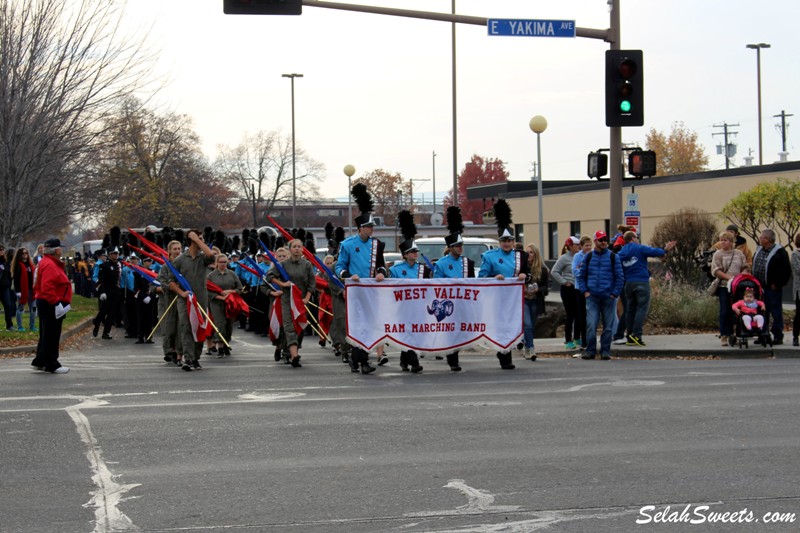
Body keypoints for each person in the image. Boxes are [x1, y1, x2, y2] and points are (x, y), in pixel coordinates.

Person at [336, 184, 387, 375]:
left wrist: (381, 273)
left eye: (372, 226)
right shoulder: (348, 245)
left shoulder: (377, 245)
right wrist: (349, 276)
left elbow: (381, 265)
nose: (372, 229)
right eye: (369, 226)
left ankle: (357, 358)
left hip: (372, 289)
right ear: (360, 228)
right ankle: (361, 359)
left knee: (370, 324)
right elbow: (339, 267)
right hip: (355, 289)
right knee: (359, 324)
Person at [477, 200, 529, 370]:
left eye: (509, 240)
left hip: (515, 298)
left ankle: (516, 347)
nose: (507, 243)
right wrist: (494, 276)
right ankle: (505, 355)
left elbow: (529, 274)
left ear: (513, 241)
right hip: (497, 298)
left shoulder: (521, 256)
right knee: (501, 325)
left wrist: (524, 275)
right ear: (499, 241)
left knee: (519, 323)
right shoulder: (490, 256)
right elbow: (482, 277)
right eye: (504, 240)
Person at [168, 229, 218, 371]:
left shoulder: (203, 259)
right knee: (186, 327)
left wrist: (197, 240)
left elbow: (210, 255)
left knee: (200, 327)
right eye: (199, 238)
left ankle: (196, 358)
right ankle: (188, 359)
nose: (201, 241)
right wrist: (181, 293)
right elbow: (171, 282)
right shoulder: (179, 260)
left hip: (201, 298)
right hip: (185, 300)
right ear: (192, 240)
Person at [432, 206, 475, 371]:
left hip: (463, 301)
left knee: (459, 329)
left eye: (461, 245)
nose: (460, 248)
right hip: (448, 302)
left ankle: (455, 354)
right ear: (450, 247)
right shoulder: (441, 264)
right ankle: (452, 359)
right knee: (450, 331)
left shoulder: (467, 262)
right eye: (457, 245)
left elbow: (472, 282)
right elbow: (437, 282)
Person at [616, 231, 677, 346]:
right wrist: (665, 249)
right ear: (633, 238)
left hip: (628, 283)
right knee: (641, 308)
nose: (638, 239)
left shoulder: (621, 252)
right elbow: (654, 252)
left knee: (630, 310)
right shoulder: (639, 248)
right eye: (637, 237)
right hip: (641, 281)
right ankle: (637, 335)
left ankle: (629, 336)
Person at [388, 210, 429, 373]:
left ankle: (405, 359)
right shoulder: (396, 269)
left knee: (414, 335)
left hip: (419, 306)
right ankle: (414, 362)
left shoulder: (423, 269)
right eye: (412, 252)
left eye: (416, 251)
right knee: (408, 333)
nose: (415, 254)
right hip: (403, 307)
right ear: (405, 255)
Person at [575, 231, 624, 361]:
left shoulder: (614, 257)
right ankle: (590, 350)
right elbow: (581, 275)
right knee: (591, 325)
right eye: (601, 240)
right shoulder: (588, 257)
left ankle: (605, 351)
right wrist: (585, 291)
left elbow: (620, 277)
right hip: (592, 298)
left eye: (605, 240)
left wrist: (614, 294)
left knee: (608, 327)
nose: (604, 242)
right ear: (595, 241)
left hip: (608, 298)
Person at [267, 239, 316, 368]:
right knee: (289, 328)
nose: (297, 249)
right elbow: (269, 276)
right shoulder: (283, 264)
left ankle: (294, 351)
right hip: (287, 301)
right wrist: (283, 284)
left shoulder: (307, 265)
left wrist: (307, 298)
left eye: (299, 246)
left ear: (302, 249)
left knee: (300, 328)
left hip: (301, 301)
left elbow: (312, 283)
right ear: (290, 249)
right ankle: (294, 356)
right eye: (294, 247)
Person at [30, 238, 72, 374]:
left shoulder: (46, 262)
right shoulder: (49, 264)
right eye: (60, 248)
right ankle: (52, 363)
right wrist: (56, 303)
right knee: (51, 334)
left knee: (46, 333)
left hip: (47, 302)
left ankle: (40, 360)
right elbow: (47, 287)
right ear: (57, 250)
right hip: (51, 303)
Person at [751, 228, 791, 345]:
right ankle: (762, 334)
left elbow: (785, 271)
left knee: (775, 311)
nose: (760, 239)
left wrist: (776, 284)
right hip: (758, 287)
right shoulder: (760, 250)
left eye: (761, 237)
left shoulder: (780, 252)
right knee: (761, 312)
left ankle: (778, 335)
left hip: (772, 288)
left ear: (767, 239)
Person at [711, 231, 747, 347]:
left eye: (725, 240)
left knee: (735, 311)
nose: (722, 242)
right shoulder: (718, 254)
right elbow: (715, 270)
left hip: (737, 286)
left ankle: (734, 334)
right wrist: (729, 278)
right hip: (724, 286)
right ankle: (724, 335)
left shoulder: (739, 253)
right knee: (724, 311)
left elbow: (745, 267)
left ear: (731, 242)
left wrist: (741, 276)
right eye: (721, 240)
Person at [207, 253, 243, 357]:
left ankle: (226, 343)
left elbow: (240, 289)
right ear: (216, 263)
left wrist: (230, 292)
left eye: (225, 262)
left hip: (230, 303)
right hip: (217, 303)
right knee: (220, 323)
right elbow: (208, 291)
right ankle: (220, 346)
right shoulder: (211, 276)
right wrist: (220, 297)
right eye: (221, 262)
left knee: (229, 324)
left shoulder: (232, 274)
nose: (223, 264)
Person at [154, 240, 183, 365]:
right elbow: (160, 283)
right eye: (175, 249)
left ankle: (177, 352)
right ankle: (168, 350)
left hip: (181, 299)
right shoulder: (166, 267)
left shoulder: (183, 264)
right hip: (167, 301)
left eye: (179, 249)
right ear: (169, 251)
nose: (177, 251)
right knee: (168, 328)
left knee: (180, 327)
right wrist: (172, 286)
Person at [551, 236, 581, 350]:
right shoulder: (564, 258)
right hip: (568, 289)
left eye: (579, 244)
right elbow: (554, 271)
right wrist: (564, 282)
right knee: (571, 314)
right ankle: (568, 340)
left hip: (578, 288)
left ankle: (577, 337)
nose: (578, 246)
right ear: (570, 246)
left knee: (579, 314)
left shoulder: (580, 257)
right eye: (576, 245)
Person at [522, 244, 548, 361]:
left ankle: (526, 344)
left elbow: (546, 287)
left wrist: (539, 290)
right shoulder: (522, 268)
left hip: (536, 300)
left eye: (531, 252)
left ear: (536, 254)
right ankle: (531, 348)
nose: (528, 255)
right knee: (527, 324)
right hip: (524, 300)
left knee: (531, 326)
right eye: (527, 252)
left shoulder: (542, 270)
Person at [93, 247, 123, 340]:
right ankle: (97, 322)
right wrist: (102, 292)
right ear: (109, 255)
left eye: (117, 254)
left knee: (112, 313)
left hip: (116, 292)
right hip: (107, 292)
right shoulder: (104, 265)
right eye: (114, 254)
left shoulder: (118, 265)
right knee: (104, 311)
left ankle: (106, 332)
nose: (116, 255)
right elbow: (101, 280)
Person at [570, 236, 593, 351]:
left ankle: (591, 339)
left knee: (592, 316)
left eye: (590, 245)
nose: (588, 247)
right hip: (580, 289)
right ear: (581, 246)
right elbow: (575, 271)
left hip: (592, 288)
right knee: (582, 315)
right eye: (586, 245)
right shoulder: (577, 256)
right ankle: (584, 340)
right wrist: (584, 272)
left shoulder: (594, 255)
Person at [11, 248, 37, 332]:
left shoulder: (30, 264)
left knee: (33, 308)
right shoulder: (18, 265)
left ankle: (32, 326)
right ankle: (20, 326)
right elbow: (16, 280)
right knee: (20, 308)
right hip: (22, 291)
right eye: (23, 253)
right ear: (20, 254)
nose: (25, 254)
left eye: (26, 253)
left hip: (31, 291)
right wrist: (18, 291)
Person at [0, 245, 16, 331]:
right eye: (0, 250)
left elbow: (9, 275)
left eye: (3, 249)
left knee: (8, 305)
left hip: (5, 287)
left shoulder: (5, 262)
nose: (1, 251)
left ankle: (9, 325)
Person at [790, 232, 800, 346]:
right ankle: (795, 336)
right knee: (799, 314)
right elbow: (797, 270)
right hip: (799, 289)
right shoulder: (795, 254)